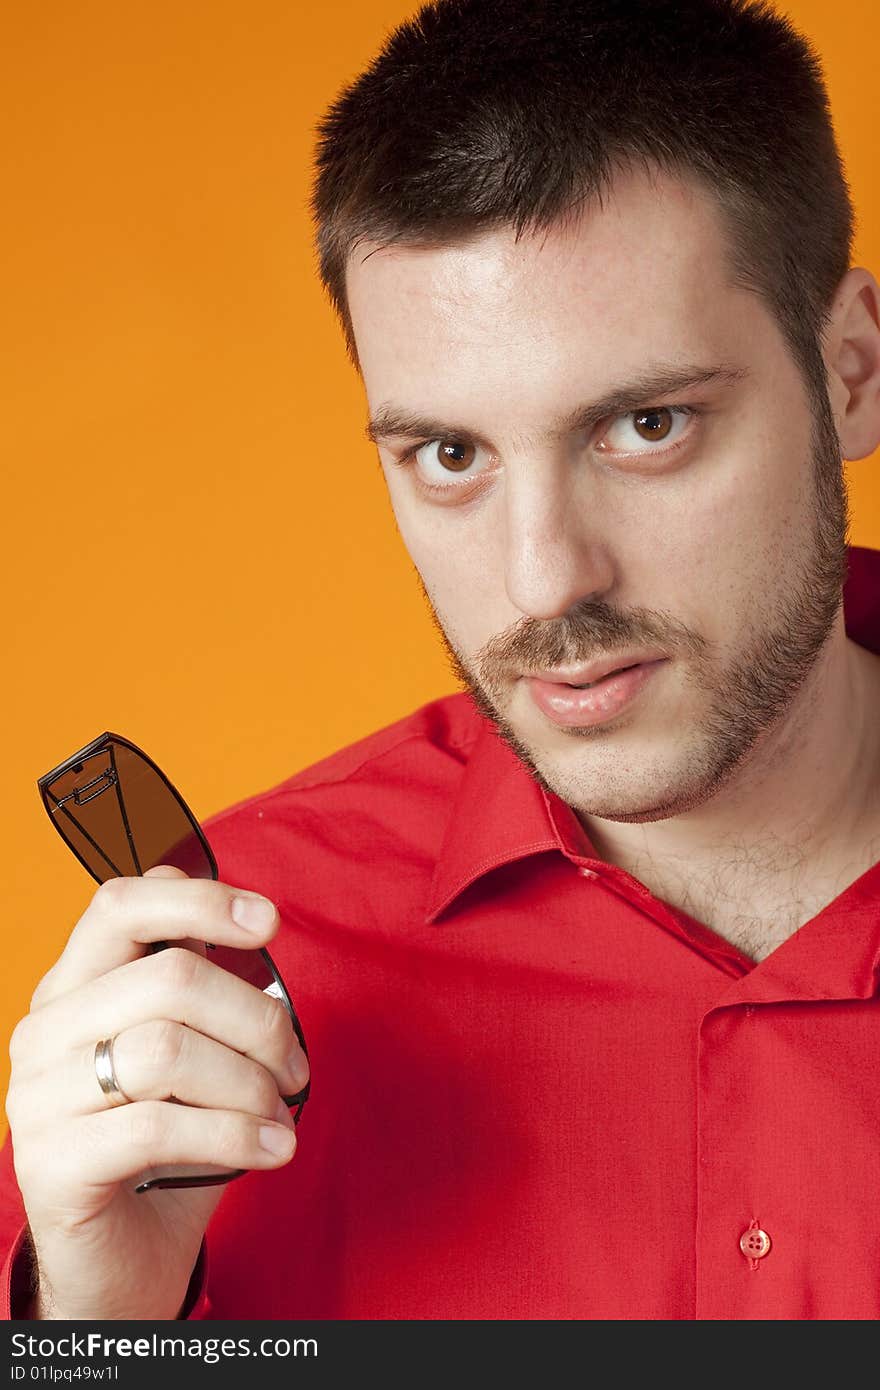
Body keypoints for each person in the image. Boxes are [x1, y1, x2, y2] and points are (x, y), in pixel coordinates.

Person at [3, 0, 880, 1322]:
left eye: (648, 424)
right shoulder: (216, 1003)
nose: (545, 581)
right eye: (449, 456)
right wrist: (100, 1331)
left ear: (854, 370)